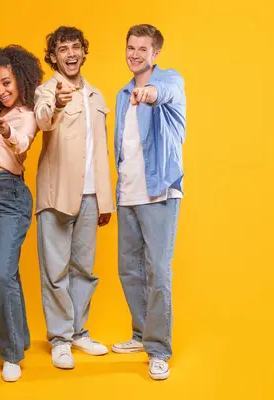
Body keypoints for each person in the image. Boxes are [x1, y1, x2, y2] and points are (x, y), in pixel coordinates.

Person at [34, 26, 114, 370]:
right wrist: (55, 105)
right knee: (55, 270)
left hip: (91, 194)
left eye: (76, 47)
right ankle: (60, 339)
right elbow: (42, 121)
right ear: (53, 56)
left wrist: (105, 199)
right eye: (62, 48)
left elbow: (102, 149)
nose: (70, 54)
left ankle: (79, 332)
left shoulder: (96, 95)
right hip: (56, 193)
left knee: (84, 268)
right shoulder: (46, 91)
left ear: (83, 52)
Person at [112, 24, 186, 381]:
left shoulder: (170, 80)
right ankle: (141, 334)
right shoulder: (122, 94)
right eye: (131, 47)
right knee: (129, 270)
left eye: (143, 49)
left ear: (155, 53)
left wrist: (151, 93)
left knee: (158, 270)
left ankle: (159, 349)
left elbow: (167, 92)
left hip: (159, 193)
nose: (135, 54)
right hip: (128, 194)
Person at [0, 45, 43, 382]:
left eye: (8, 83)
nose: (2, 90)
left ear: (21, 80)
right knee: (5, 275)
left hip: (10, 196)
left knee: (3, 274)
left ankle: (13, 354)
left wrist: (7, 132)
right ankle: (14, 338)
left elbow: (22, 142)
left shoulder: (26, 115)